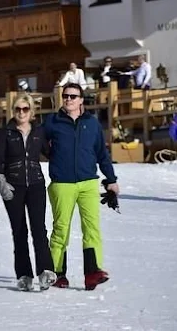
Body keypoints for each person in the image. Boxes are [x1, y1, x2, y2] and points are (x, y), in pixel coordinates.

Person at [44, 83, 119, 291]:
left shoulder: (92, 124)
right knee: (61, 230)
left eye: (73, 96)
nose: (68, 99)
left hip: (88, 183)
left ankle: (92, 272)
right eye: (65, 96)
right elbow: (38, 143)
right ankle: (57, 274)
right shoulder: (52, 122)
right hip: (62, 184)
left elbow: (102, 154)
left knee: (92, 227)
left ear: (81, 100)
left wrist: (111, 179)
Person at [0, 94, 57, 291]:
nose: (21, 113)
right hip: (14, 186)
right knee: (19, 231)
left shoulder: (39, 132)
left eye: (25, 109)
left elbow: (51, 153)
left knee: (39, 229)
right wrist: (1, 180)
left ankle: (45, 271)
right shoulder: (6, 133)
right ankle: (24, 275)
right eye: (18, 109)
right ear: (13, 111)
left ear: (31, 111)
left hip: (36, 184)